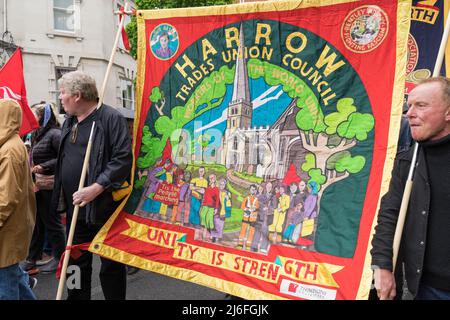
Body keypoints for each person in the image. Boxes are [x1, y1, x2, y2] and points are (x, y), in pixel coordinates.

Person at [51, 71, 132, 300]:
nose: (60, 97)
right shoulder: (68, 121)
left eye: (63, 93)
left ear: (77, 96)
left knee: (110, 265)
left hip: (104, 208)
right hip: (74, 208)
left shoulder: (110, 118)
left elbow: (123, 159)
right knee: (75, 262)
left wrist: (96, 187)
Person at [371, 77, 450, 300]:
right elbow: (389, 215)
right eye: (410, 105)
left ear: (448, 113)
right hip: (425, 289)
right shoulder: (408, 160)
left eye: (421, 105)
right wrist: (382, 265)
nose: (409, 113)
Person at [20, 103, 66, 274]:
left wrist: (43, 166)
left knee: (52, 223)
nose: (32, 118)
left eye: (35, 115)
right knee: (37, 223)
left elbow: (63, 157)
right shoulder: (37, 134)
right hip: (37, 185)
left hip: (50, 185)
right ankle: (32, 259)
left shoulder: (55, 134)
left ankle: (61, 258)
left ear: (43, 116)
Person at [0, 99, 37, 300]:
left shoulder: (9, 150)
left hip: (7, 229)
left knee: (5, 287)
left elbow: (5, 198)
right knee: (14, 278)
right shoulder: (10, 145)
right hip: (10, 227)